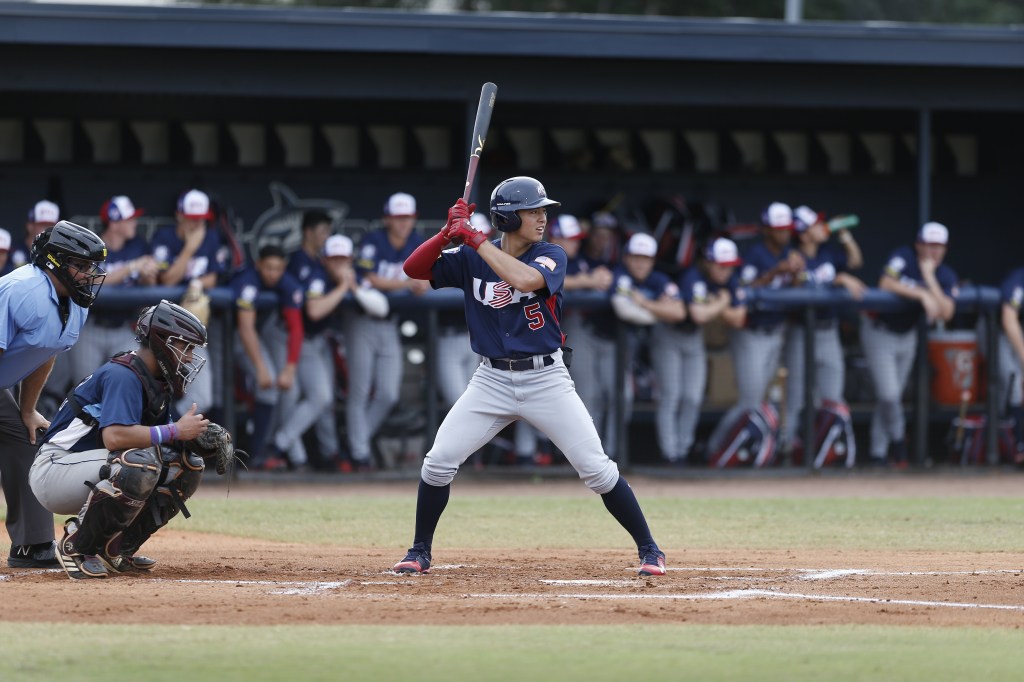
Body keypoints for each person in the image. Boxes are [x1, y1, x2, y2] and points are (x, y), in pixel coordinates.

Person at [395, 176, 666, 577]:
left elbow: (524, 280)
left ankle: (650, 549)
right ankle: (419, 551)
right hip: (490, 380)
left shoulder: (551, 253)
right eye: (532, 211)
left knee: (596, 469)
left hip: (546, 379)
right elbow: (414, 269)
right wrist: (444, 234)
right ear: (507, 217)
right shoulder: (472, 257)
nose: (541, 218)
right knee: (438, 464)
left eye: (542, 210)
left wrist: (474, 239)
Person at [29, 301, 210, 579]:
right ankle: (77, 546)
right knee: (140, 463)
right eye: (185, 347)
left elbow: (162, 443)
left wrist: (196, 438)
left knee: (186, 464)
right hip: (55, 469)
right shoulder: (123, 374)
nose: (188, 357)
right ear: (163, 342)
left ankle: (115, 548)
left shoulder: (156, 379)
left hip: (88, 466)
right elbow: (114, 437)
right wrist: (176, 431)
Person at [1, 221, 107, 568]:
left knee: (25, 437)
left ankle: (32, 546)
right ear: (55, 261)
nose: (90, 274)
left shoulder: (75, 303)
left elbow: (46, 351)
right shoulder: (19, 290)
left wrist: (27, 410)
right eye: (83, 265)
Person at [707, 202, 804, 454]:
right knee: (749, 402)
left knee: (759, 401)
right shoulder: (755, 254)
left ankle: (745, 448)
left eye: (787, 229)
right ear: (767, 230)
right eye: (778, 229)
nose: (784, 234)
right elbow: (746, 289)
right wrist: (775, 272)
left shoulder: (790, 253)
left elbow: (794, 292)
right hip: (751, 333)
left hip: (776, 332)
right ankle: (714, 448)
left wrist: (795, 274)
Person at [860, 222, 958, 466]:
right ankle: (898, 441)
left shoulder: (944, 274)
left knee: (890, 398)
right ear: (918, 245)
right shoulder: (903, 257)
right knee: (889, 394)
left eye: (938, 247)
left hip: (907, 336)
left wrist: (928, 278)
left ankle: (878, 453)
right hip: (879, 331)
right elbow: (885, 282)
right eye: (928, 246)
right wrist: (922, 294)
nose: (933, 252)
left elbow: (947, 311)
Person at [346, 192, 430, 470]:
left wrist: (423, 284)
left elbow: (429, 275)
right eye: (398, 218)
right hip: (363, 321)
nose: (403, 223)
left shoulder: (418, 243)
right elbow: (369, 277)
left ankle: (356, 441)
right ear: (388, 219)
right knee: (359, 391)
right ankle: (358, 453)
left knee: (388, 393)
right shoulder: (374, 241)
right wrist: (408, 284)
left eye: (407, 217)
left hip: (391, 324)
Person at [780, 205, 866, 451]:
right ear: (804, 233)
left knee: (832, 395)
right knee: (795, 397)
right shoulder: (792, 257)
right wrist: (838, 279)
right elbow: (796, 287)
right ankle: (785, 449)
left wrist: (844, 234)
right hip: (801, 332)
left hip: (828, 331)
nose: (822, 226)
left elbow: (856, 261)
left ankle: (829, 448)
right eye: (816, 225)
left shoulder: (827, 254)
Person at [653, 237, 744, 465]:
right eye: (721, 266)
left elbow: (739, 318)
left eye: (730, 266)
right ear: (709, 262)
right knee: (671, 396)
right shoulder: (693, 276)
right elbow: (698, 314)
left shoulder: (729, 280)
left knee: (692, 397)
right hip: (669, 334)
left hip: (693, 338)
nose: (726, 271)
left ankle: (683, 451)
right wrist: (723, 303)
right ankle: (669, 454)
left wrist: (715, 305)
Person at [284, 219, 358, 471]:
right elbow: (314, 311)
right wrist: (343, 287)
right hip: (297, 339)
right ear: (324, 259)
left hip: (319, 340)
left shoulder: (345, 276)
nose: (339, 263)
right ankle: (280, 446)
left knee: (325, 402)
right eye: (334, 259)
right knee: (317, 397)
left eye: (343, 259)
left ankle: (330, 453)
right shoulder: (317, 275)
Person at [607, 232, 686, 460]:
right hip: (615, 344)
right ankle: (610, 454)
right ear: (627, 258)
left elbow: (679, 312)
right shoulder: (620, 275)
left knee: (675, 394)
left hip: (651, 344)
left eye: (646, 258)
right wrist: (658, 312)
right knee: (617, 397)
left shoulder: (658, 279)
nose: (640, 262)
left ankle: (673, 456)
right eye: (636, 257)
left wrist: (644, 303)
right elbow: (623, 309)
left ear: (653, 260)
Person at [69, 195, 159, 387]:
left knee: (131, 383)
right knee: (85, 388)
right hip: (91, 326)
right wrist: (131, 267)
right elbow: (93, 279)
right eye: (129, 219)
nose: (135, 222)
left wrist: (148, 275)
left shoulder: (138, 246)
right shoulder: (92, 247)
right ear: (114, 224)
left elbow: (148, 289)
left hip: (124, 327)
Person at [151, 189, 226, 415]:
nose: (196, 225)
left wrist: (196, 282)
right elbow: (167, 279)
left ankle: (168, 433)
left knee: (202, 399)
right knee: (150, 390)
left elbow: (215, 277)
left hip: (193, 332)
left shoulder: (211, 237)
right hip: (162, 331)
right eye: (191, 219)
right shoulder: (165, 237)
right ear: (179, 215)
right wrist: (190, 248)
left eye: (200, 220)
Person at [231, 243, 305, 471]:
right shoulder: (248, 280)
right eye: (268, 267)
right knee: (215, 395)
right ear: (259, 264)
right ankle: (248, 453)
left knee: (273, 388)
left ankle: (257, 452)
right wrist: (261, 367)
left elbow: (296, 327)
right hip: (221, 333)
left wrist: (290, 367)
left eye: (278, 268)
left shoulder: (287, 283)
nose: (273, 273)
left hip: (256, 335)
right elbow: (245, 328)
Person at [987, 267, 1024, 460]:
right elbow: (1009, 320)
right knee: (1013, 381)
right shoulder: (1018, 279)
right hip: (998, 331)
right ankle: (1019, 446)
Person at [10, 200, 60, 269]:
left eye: (51, 225)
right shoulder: (11, 250)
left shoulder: (59, 254)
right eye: (42, 225)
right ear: (29, 226)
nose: (48, 229)